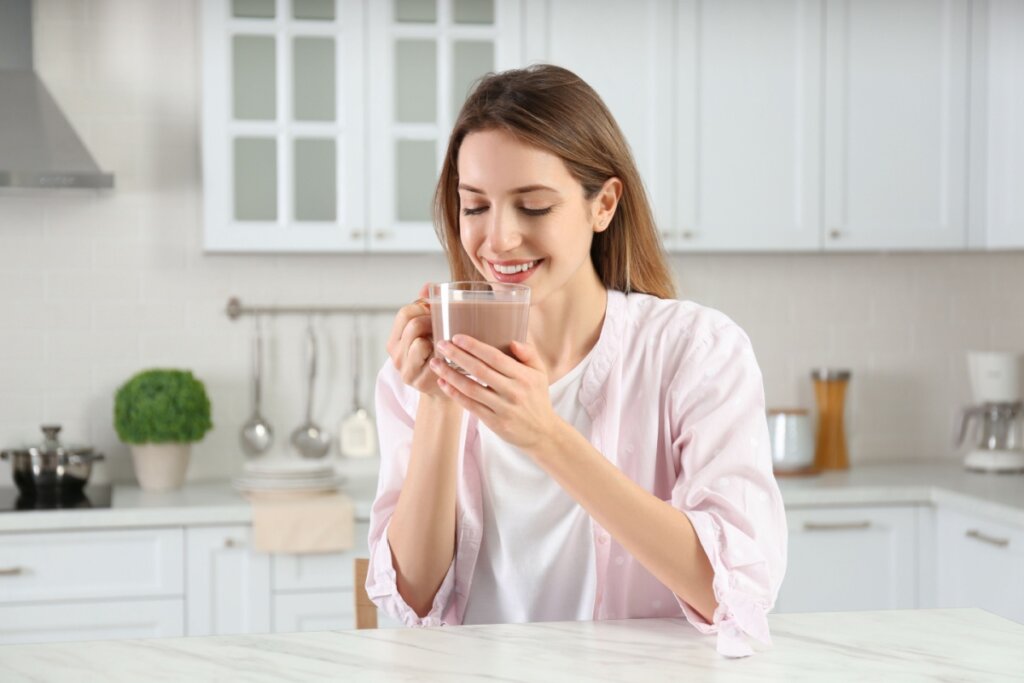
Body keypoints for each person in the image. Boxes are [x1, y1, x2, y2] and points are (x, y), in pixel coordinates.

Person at [366, 64, 787, 658]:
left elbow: (733, 593)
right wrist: (438, 402)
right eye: (475, 206)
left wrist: (547, 437)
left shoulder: (695, 351)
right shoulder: (421, 365)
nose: (499, 239)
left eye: (533, 207)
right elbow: (410, 599)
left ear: (604, 205)